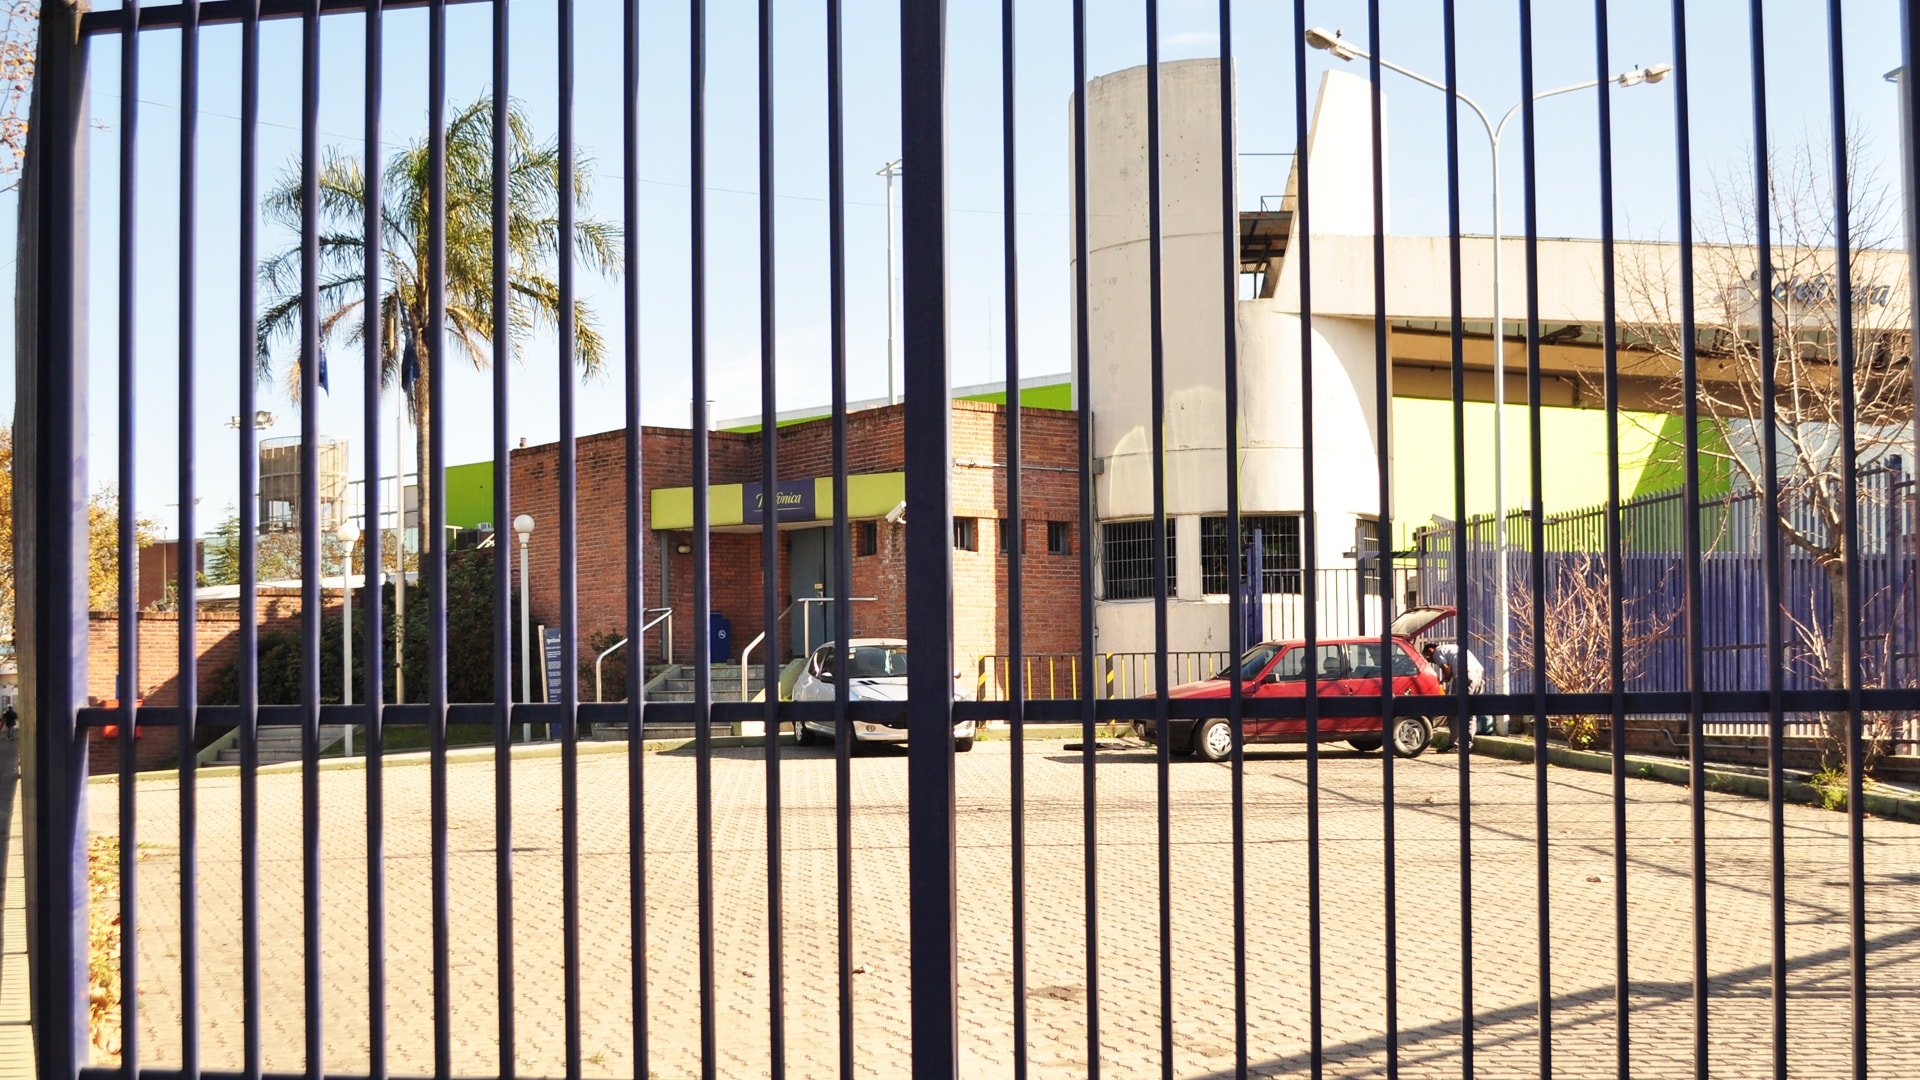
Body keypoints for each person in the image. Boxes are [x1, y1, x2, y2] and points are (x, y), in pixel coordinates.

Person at [1421, 641, 1489, 752]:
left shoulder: (1437, 652)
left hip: (1463, 676)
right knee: (1470, 712)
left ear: (1430, 650)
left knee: (1454, 710)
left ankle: (1456, 744)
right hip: (1478, 676)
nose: (1431, 661)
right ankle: (1467, 744)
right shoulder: (1452, 648)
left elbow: (1447, 670)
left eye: (1428, 658)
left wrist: (1442, 681)